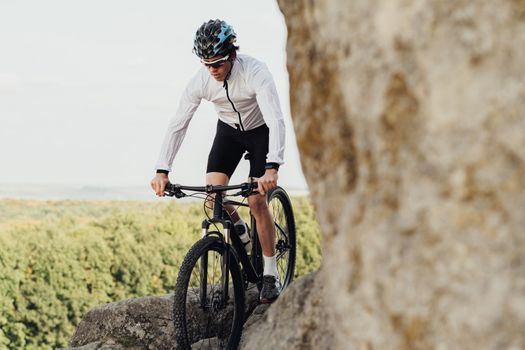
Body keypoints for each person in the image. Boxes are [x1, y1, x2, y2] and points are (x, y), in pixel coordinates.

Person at [150, 19, 286, 303]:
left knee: (256, 201)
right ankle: (241, 231)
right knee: (214, 197)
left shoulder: (256, 72)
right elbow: (179, 123)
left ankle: (271, 274)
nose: (213, 70)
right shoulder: (201, 81)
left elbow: (275, 119)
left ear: (232, 54)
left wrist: (273, 165)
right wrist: (162, 170)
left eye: (218, 63)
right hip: (229, 133)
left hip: (260, 132)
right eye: (206, 64)